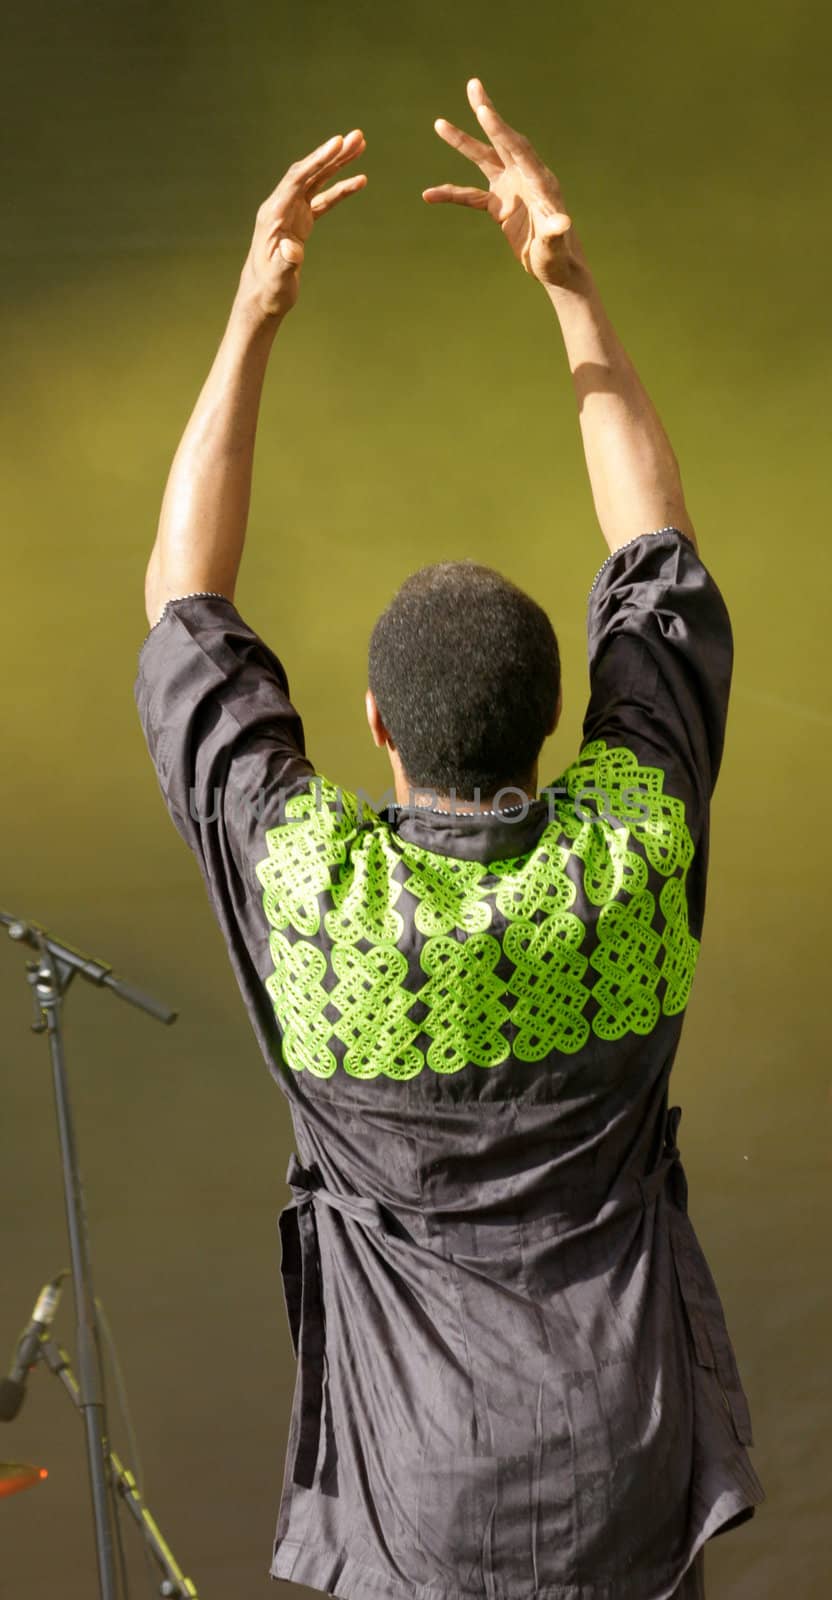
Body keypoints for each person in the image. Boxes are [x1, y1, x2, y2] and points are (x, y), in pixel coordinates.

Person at [135, 77, 765, 1600]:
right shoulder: (630, 850)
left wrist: (250, 320)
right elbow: (657, 560)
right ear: (564, 720)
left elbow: (180, 606)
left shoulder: (316, 893)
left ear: (373, 727)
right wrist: (573, 290)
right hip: (637, 1464)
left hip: (420, 1501)